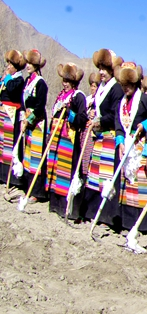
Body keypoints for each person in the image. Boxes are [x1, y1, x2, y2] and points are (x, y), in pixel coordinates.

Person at [112, 62, 147, 234]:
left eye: (129, 84)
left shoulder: (145, 100)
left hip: (141, 145)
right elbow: (118, 123)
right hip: (127, 145)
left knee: (140, 184)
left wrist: (144, 124)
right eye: (123, 85)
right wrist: (120, 141)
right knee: (127, 183)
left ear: (135, 83)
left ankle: (143, 224)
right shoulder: (120, 102)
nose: (126, 88)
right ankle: (127, 221)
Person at [81, 49, 123, 225]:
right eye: (100, 69)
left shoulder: (116, 89)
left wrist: (99, 121)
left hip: (109, 136)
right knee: (94, 174)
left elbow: (115, 114)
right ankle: (92, 211)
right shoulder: (102, 88)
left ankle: (106, 215)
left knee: (105, 176)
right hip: (99, 136)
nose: (101, 72)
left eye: (105, 69)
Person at [45, 63, 89, 218]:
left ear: (74, 82)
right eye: (64, 80)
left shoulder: (78, 96)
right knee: (55, 168)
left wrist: (70, 113)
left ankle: (66, 207)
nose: (65, 83)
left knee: (66, 171)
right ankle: (54, 203)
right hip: (56, 137)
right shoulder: (60, 96)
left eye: (68, 81)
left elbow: (82, 119)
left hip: (68, 139)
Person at [13, 49, 49, 202]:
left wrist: (30, 119)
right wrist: (23, 119)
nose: (28, 66)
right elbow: (23, 103)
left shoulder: (40, 83)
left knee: (36, 156)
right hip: (27, 122)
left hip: (37, 123)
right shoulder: (27, 81)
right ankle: (28, 187)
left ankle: (37, 192)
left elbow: (40, 106)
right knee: (28, 155)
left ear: (36, 65)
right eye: (27, 63)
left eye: (31, 63)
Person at [0, 50, 25, 187]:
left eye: (10, 64)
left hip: (12, 115)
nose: (8, 67)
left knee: (10, 145)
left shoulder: (19, 80)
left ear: (16, 67)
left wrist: (7, 78)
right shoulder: (7, 77)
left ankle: (10, 177)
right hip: (3, 113)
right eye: (8, 64)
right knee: (1, 145)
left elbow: (11, 89)